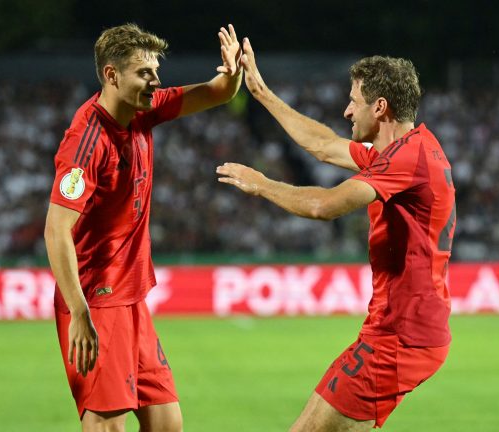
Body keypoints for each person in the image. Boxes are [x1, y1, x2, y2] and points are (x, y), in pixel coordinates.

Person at [217, 39, 456, 431]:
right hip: (400, 330)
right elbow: (324, 146)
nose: (346, 110)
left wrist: (261, 184)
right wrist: (260, 91)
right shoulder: (404, 149)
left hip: (401, 336)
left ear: (380, 108)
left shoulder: (405, 159)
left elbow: (323, 206)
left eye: (354, 101)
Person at [44, 23, 242, 431]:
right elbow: (55, 229)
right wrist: (80, 313)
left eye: (156, 71)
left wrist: (232, 72)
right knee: (107, 425)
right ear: (112, 75)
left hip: (132, 301)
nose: (156, 81)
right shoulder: (86, 141)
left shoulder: (142, 110)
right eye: (144, 73)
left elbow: (216, 91)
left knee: (168, 424)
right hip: (96, 302)